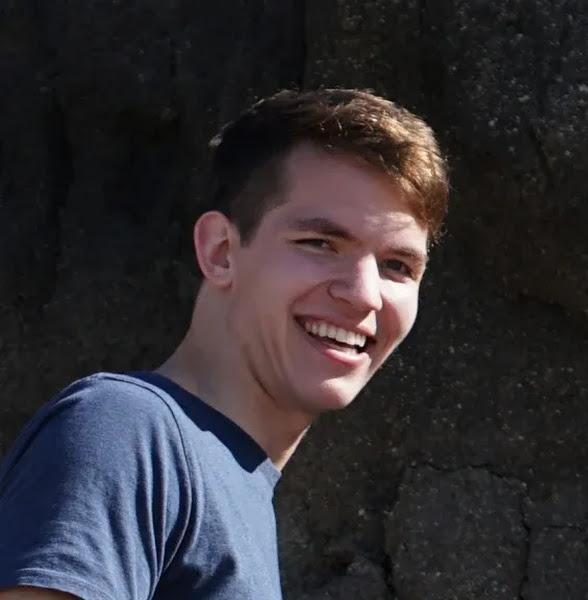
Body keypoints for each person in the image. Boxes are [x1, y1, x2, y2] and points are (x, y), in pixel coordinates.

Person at [0, 88, 448, 599]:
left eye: (397, 266)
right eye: (320, 244)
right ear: (220, 251)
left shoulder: (231, 484)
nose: (364, 294)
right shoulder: (127, 432)